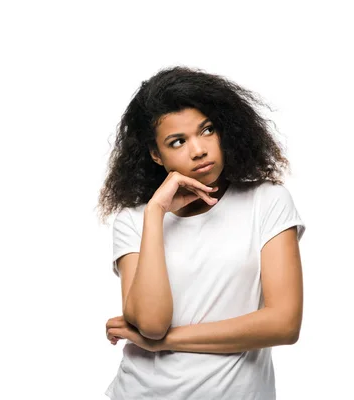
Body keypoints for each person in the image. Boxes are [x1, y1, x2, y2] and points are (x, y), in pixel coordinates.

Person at [96, 66, 306, 400]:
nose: (198, 150)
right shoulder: (135, 220)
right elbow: (151, 322)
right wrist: (155, 213)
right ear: (155, 154)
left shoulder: (266, 201)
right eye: (177, 141)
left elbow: (283, 324)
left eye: (206, 131)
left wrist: (164, 342)